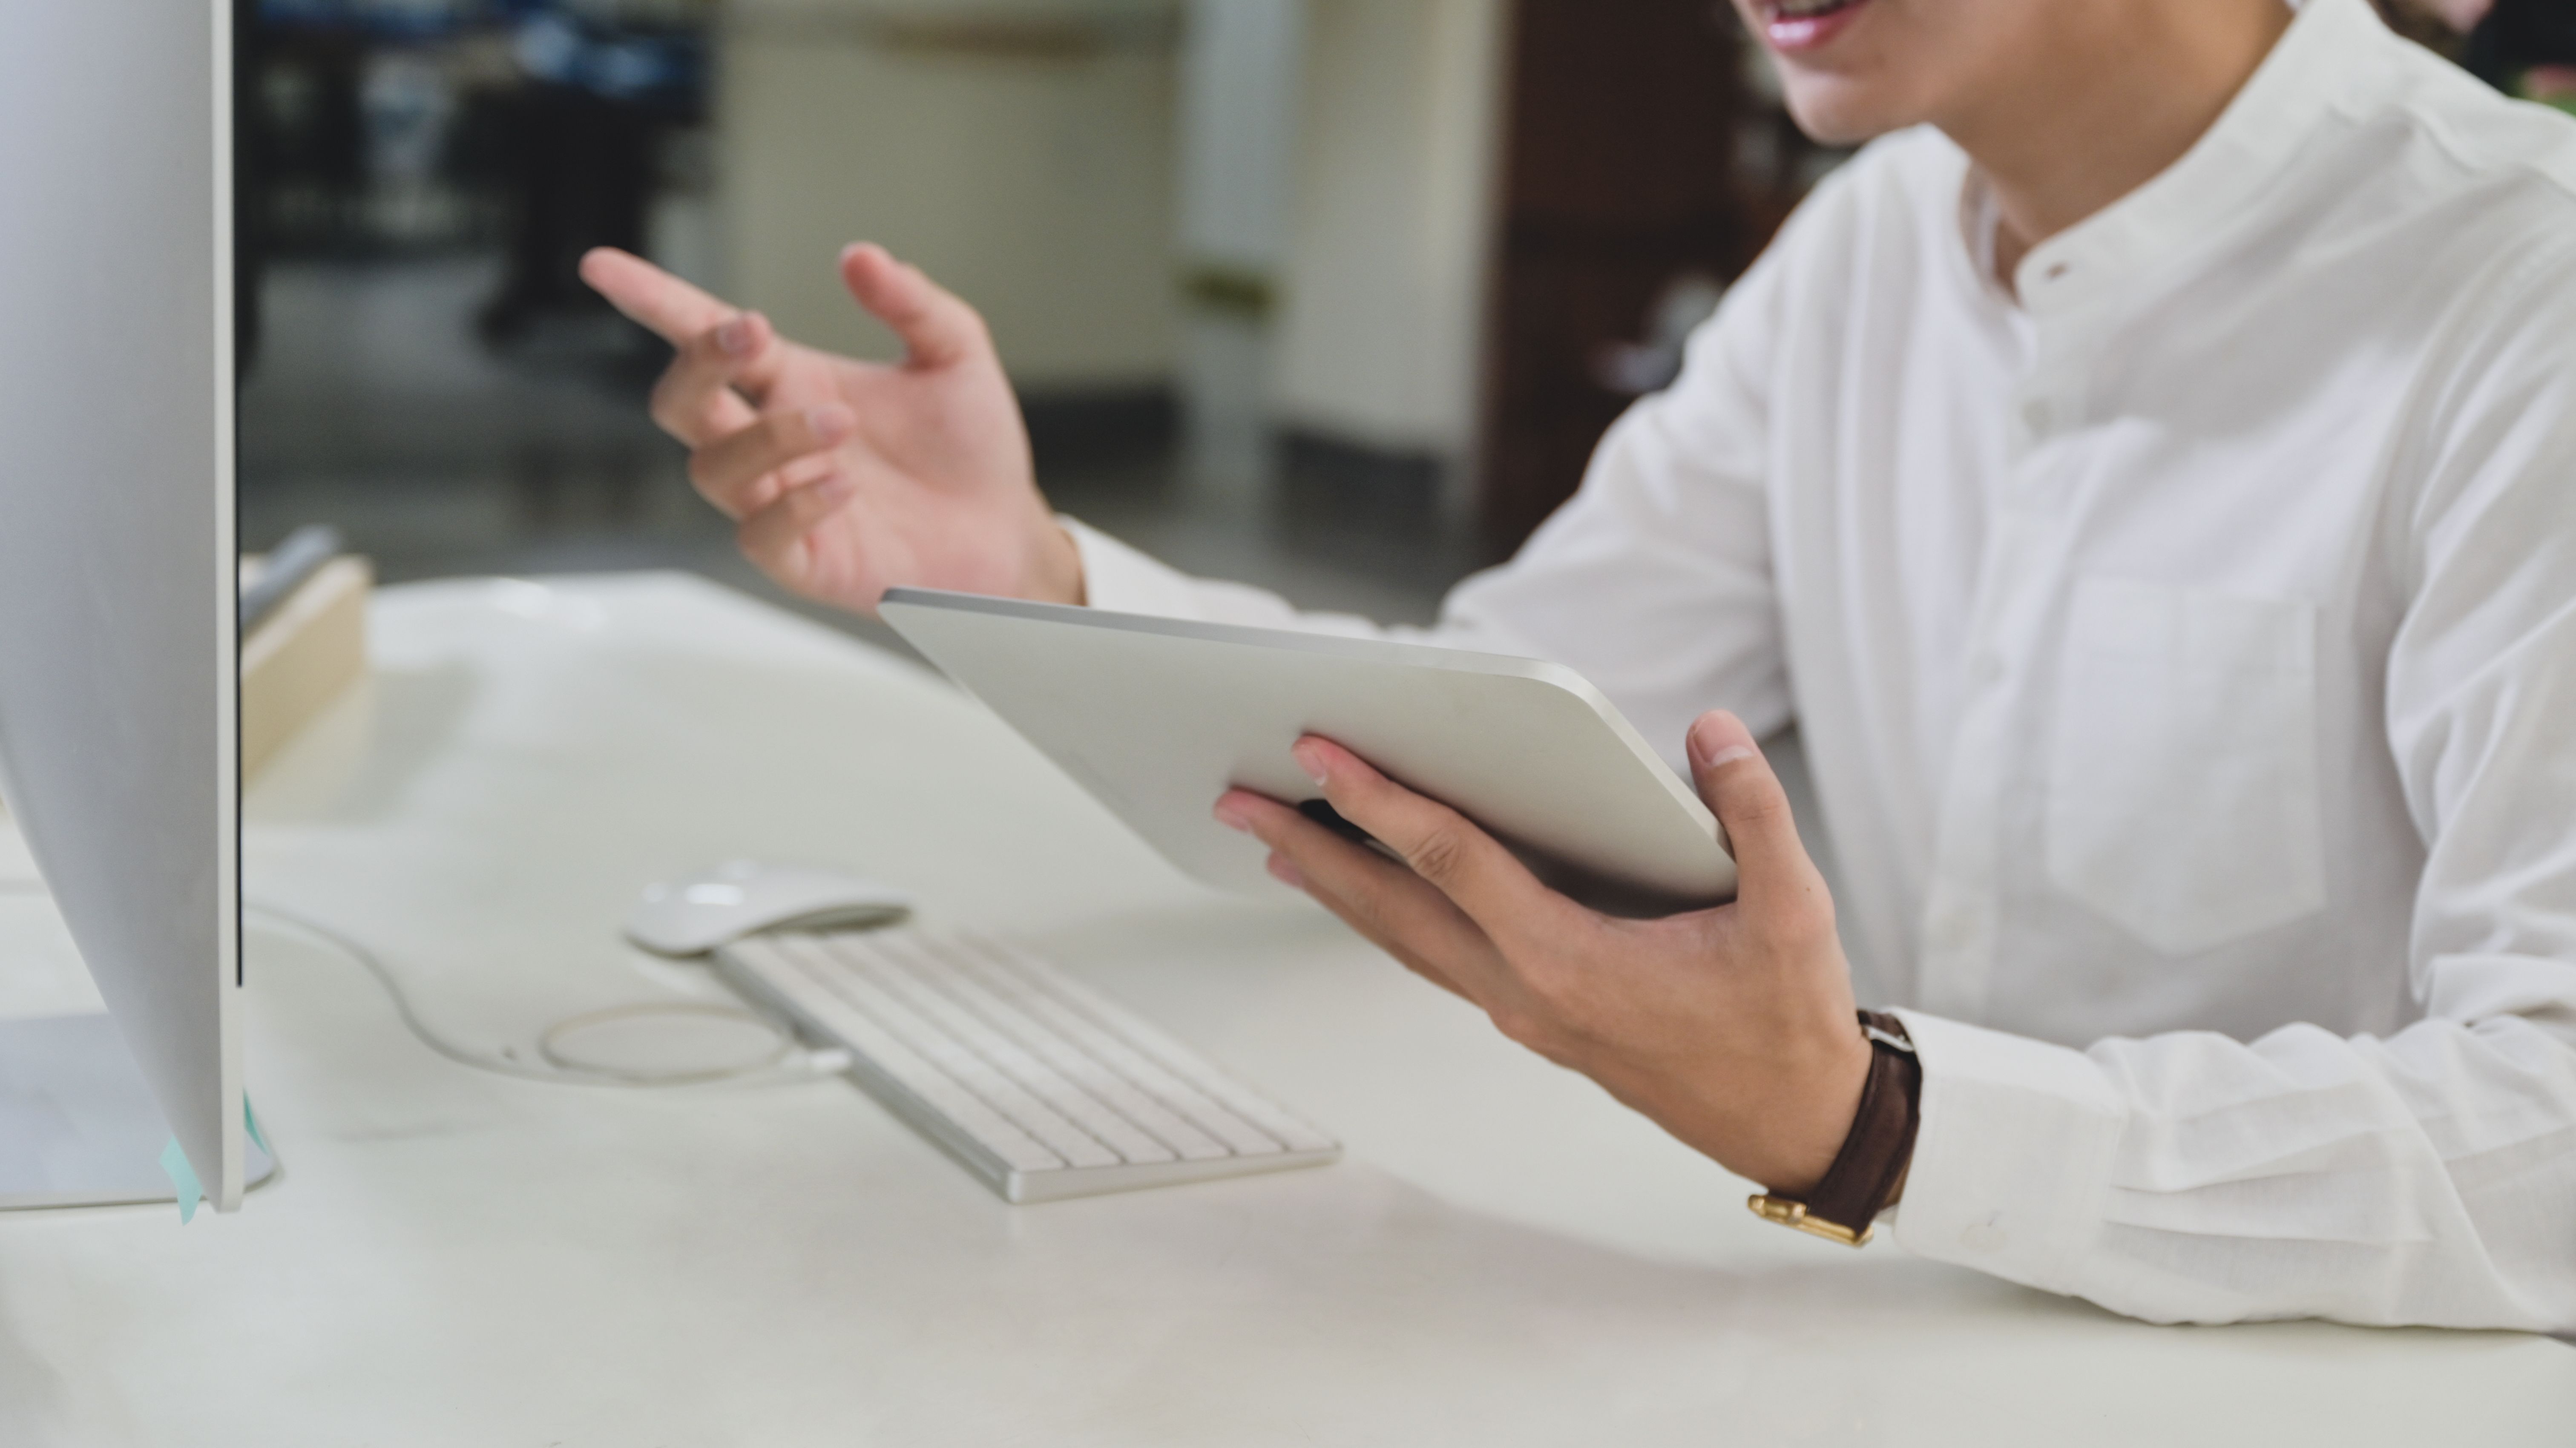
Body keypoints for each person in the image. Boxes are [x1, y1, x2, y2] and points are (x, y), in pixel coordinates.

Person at [581, 0, 2576, 1333]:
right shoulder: (1870, 247)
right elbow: (1506, 717)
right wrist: (1022, 564)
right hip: (1898, 1338)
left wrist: (1872, 1122)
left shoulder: (2520, 295)